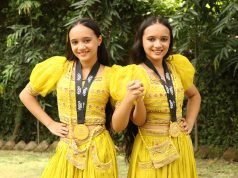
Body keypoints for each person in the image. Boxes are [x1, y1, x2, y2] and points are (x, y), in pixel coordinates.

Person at [19, 18, 144, 178]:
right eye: (75, 42)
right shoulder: (59, 68)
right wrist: (50, 123)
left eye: (87, 40)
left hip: (98, 148)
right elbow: (26, 94)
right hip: (67, 147)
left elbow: (118, 127)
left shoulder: (113, 75)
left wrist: (128, 99)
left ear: (99, 40)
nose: (81, 47)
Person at [122, 16, 201, 178]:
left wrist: (190, 122)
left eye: (164, 39)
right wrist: (137, 100)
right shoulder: (134, 73)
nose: (158, 45)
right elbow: (138, 121)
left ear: (170, 41)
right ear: (141, 41)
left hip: (180, 144)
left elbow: (194, 95)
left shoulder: (176, 67)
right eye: (151, 39)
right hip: (151, 147)